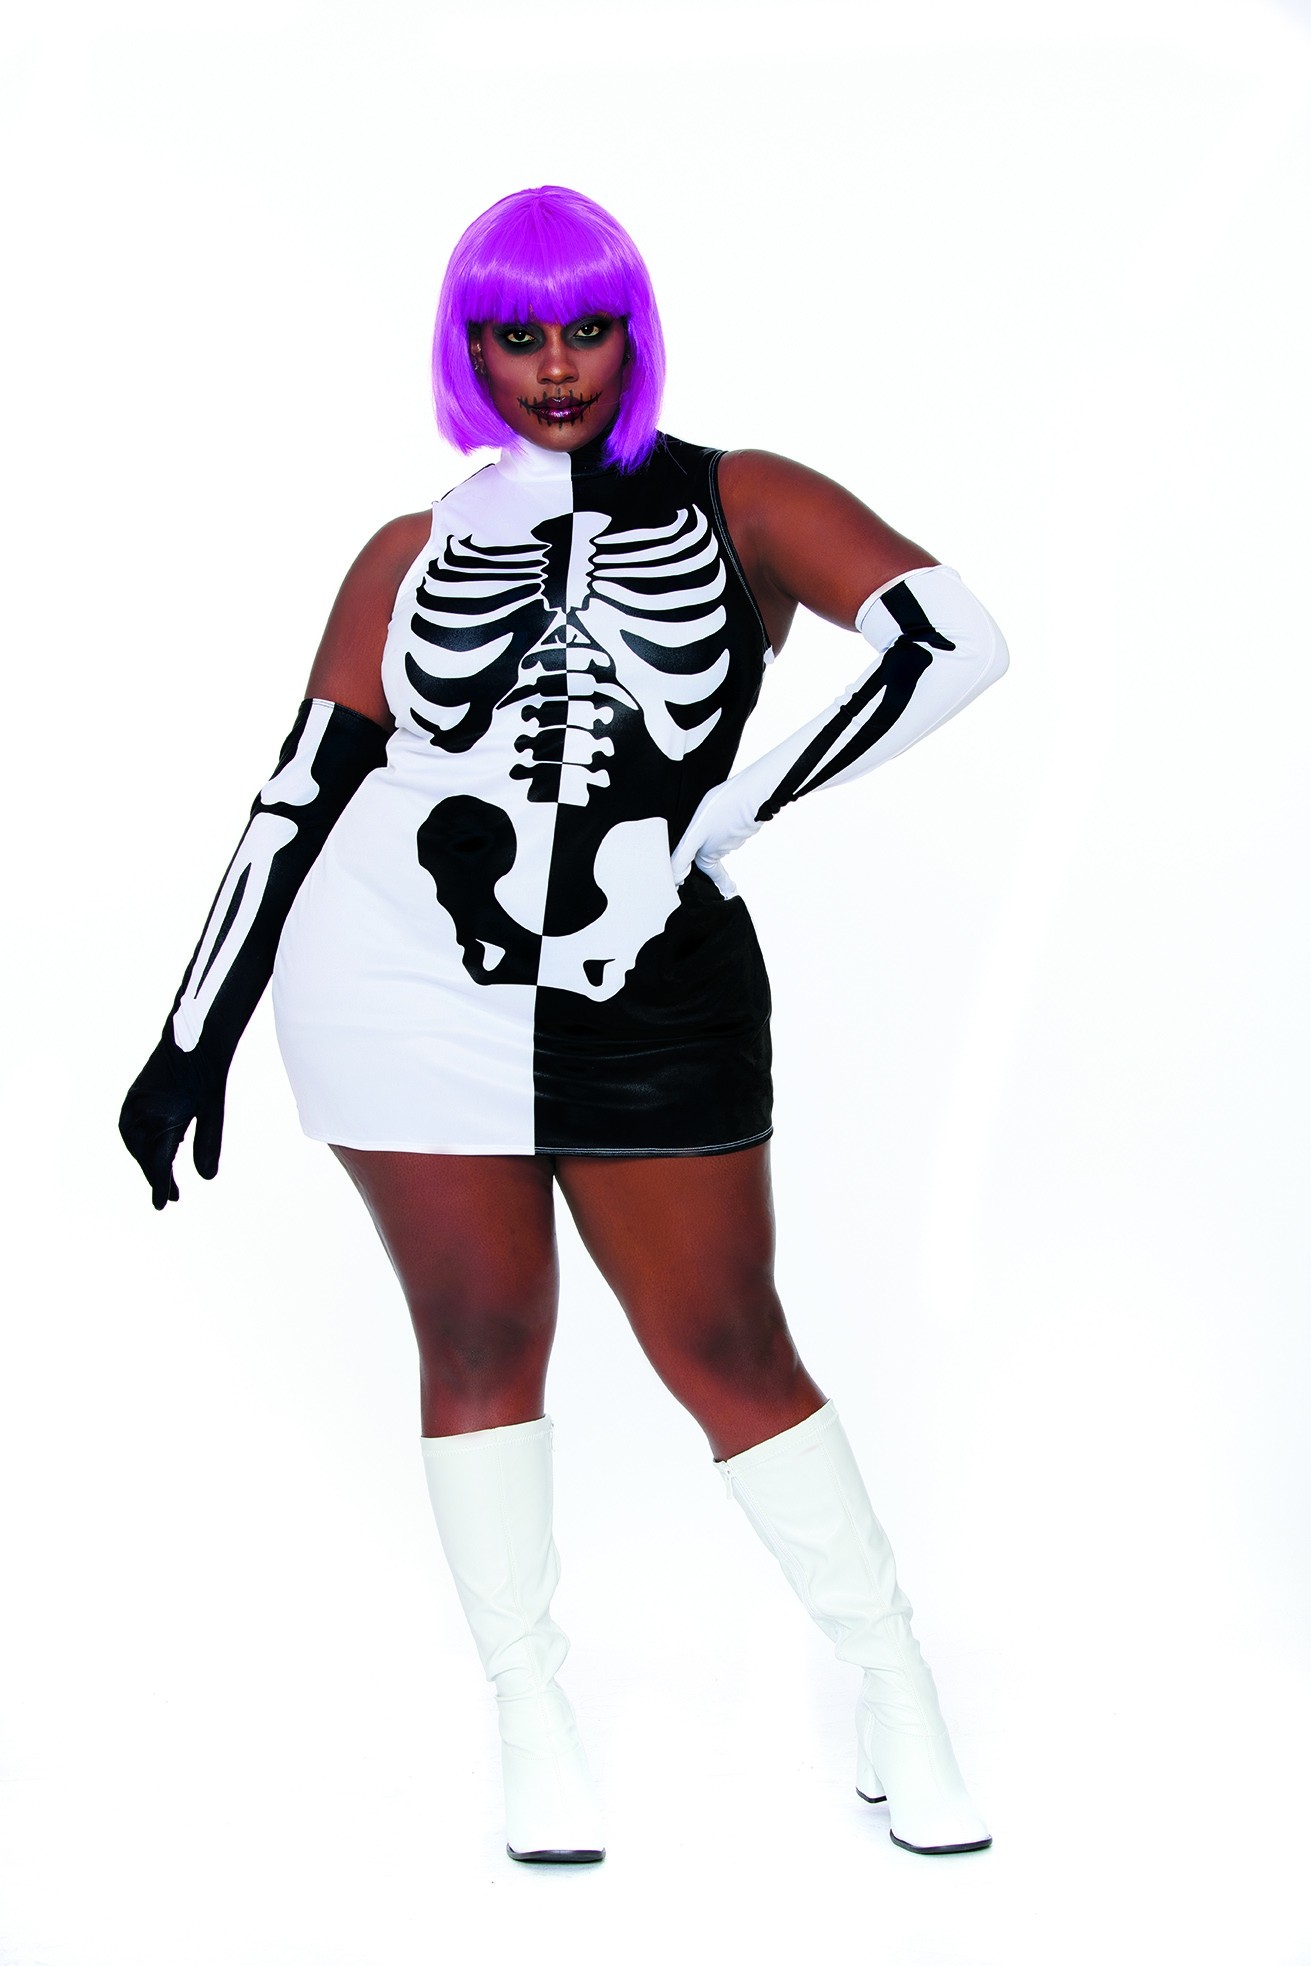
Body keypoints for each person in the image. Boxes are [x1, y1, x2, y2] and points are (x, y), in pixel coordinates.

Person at [119, 184, 1008, 1866]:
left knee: (723, 1341)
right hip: (399, 982)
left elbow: (953, 636)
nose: (551, 366)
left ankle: (896, 1679)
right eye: (511, 334)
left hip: (653, 969)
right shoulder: (408, 552)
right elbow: (303, 794)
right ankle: (530, 1711)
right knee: (475, 1338)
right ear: (467, 352)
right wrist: (192, 1035)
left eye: (585, 327)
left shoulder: (739, 499)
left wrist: (727, 808)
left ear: (632, 333)